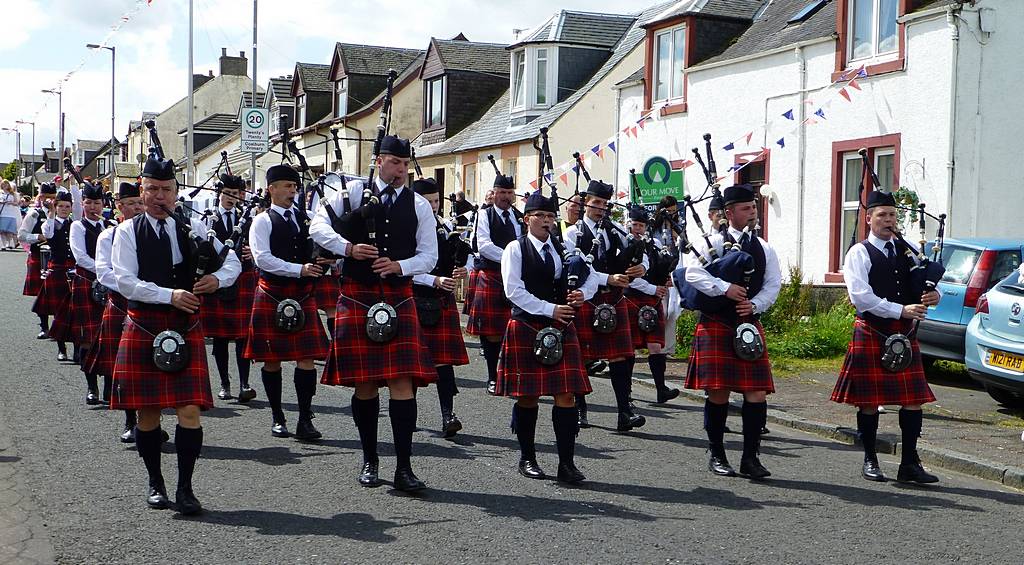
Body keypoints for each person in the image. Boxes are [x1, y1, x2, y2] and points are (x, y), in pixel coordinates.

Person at [110, 154, 240, 515]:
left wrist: (217, 280)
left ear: (176, 191)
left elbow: (232, 261)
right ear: (142, 190)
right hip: (145, 326)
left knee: (190, 413)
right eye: (152, 189)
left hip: (185, 328)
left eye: (166, 189)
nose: (159, 196)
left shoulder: (191, 228)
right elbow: (125, 281)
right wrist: (170, 295)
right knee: (148, 416)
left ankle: (186, 487)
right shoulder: (126, 232)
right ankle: (156, 482)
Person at [310, 135, 438, 492]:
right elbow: (317, 226)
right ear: (379, 160)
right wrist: (348, 247)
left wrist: (400, 265)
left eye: (405, 164)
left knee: (402, 383)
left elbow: (429, 255)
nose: (400, 170)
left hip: (397, 296)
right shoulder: (351, 193)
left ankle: (404, 467)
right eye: (395, 163)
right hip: (358, 295)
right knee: (365, 385)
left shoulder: (417, 205)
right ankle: (369, 459)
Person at [831, 189, 941, 484]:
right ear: (869, 219)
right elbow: (860, 297)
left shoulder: (907, 252)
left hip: (904, 335)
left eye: (892, 215)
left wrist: (933, 295)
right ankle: (870, 460)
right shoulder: (859, 252)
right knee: (869, 401)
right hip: (873, 331)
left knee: (913, 400)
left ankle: (909, 464)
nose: (888, 220)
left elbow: (922, 285)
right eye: (882, 215)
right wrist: (900, 310)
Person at [497, 190, 598, 483]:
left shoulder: (561, 248)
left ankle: (566, 464)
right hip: (527, 326)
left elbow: (591, 275)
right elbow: (513, 291)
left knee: (566, 396)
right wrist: (550, 309)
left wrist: (583, 293)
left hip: (560, 328)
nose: (546, 221)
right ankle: (527, 458)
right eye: (540, 216)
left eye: (550, 216)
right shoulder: (514, 249)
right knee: (528, 396)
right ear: (528, 219)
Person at [682, 184, 781, 480]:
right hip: (716, 323)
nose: (752, 212)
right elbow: (692, 273)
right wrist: (726, 288)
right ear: (729, 213)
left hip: (748, 324)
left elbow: (773, 284)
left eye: (753, 207)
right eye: (745, 208)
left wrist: (754, 304)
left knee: (757, 393)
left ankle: (751, 458)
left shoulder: (765, 248)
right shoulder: (709, 241)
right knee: (718, 393)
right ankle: (717, 453)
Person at [245, 164, 331, 440]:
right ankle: (277, 415)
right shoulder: (262, 221)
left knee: (306, 359)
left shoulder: (306, 218)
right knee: (272, 360)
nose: (292, 191)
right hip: (273, 292)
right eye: (287, 186)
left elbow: (317, 249)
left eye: (294, 187)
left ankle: (305, 418)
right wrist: (300, 269)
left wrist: (323, 260)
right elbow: (262, 258)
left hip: (302, 293)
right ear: (272, 189)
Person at [564, 180, 647, 431]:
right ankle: (580, 408)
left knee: (621, 356)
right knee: (580, 356)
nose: (600, 208)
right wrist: (608, 278)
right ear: (585, 203)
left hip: (613, 298)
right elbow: (578, 268)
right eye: (596, 203)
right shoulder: (572, 234)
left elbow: (640, 255)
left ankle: (625, 412)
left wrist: (642, 268)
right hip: (586, 298)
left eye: (604, 204)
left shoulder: (616, 231)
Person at [411, 177, 470, 437]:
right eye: (428, 201)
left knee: (444, 364)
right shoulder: (406, 228)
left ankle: (448, 415)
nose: (433, 206)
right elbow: (402, 269)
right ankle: (408, 415)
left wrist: (460, 269)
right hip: (413, 298)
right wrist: (433, 279)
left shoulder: (444, 227)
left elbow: (458, 259)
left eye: (436, 201)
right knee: (411, 364)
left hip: (441, 300)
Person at [88, 182, 145, 442]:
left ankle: (148, 422)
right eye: (131, 204)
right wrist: (135, 287)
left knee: (151, 366)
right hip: (122, 303)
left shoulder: (152, 232)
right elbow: (104, 272)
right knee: (126, 369)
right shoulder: (107, 236)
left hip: (150, 305)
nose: (136, 208)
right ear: (120, 207)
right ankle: (130, 420)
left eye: (139, 203)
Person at [203, 174, 258, 403]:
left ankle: (244, 382)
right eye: (227, 193)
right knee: (220, 337)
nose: (231, 198)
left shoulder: (247, 219)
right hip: (217, 279)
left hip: (243, 277)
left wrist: (251, 254)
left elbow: (258, 247)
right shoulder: (208, 218)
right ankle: (225, 383)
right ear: (220, 193)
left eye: (235, 195)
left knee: (243, 336)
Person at [467, 171, 523, 395]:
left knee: (516, 328)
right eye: (502, 192)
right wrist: (512, 257)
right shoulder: (485, 215)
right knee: (492, 333)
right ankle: (493, 376)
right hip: (492, 275)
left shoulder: (519, 217)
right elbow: (484, 245)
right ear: (494, 192)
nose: (506, 197)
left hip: (516, 277)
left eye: (510, 193)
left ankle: (510, 375)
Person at [625, 206, 678, 403]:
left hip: (652, 299)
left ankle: (660, 388)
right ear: (629, 224)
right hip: (631, 298)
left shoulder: (654, 243)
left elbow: (659, 266)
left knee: (656, 346)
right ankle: (627, 391)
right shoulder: (624, 242)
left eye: (641, 225)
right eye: (635, 224)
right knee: (628, 348)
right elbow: (630, 276)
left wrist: (666, 279)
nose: (638, 229)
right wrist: (653, 289)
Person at [69, 182, 114, 403]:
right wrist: (104, 270)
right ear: (82, 203)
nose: (93, 207)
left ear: (103, 204)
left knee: (107, 338)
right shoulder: (77, 226)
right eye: (89, 202)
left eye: (97, 203)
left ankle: (108, 387)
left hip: (109, 287)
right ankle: (91, 388)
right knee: (88, 339)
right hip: (86, 283)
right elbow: (81, 258)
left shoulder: (110, 226)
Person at [33, 189, 75, 361]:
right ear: (56, 207)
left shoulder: (75, 224)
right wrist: (50, 214)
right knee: (59, 312)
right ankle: (61, 348)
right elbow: (48, 234)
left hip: (73, 270)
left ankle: (78, 349)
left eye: (67, 206)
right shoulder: (49, 223)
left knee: (75, 311)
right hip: (57, 270)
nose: (64, 209)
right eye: (61, 206)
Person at [20, 183, 58, 338]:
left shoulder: (60, 212)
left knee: (58, 293)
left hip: (56, 258)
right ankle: (44, 327)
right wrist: (37, 237)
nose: (50, 201)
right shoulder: (34, 214)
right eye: (47, 197)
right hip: (38, 256)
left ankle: (57, 327)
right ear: (41, 197)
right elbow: (21, 235)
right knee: (41, 293)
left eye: (53, 198)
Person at [0, 180, 20, 250]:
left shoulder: (12, 194)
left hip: (11, 214)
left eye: (6, 184)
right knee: (2, 231)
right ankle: (4, 245)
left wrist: (11, 202)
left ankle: (9, 244)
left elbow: (17, 203)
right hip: (2, 213)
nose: (5, 186)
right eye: (3, 184)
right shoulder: (0, 193)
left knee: (9, 231)